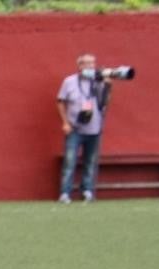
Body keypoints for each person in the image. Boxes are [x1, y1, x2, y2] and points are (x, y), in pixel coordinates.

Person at [57, 54, 114, 203]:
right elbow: (60, 102)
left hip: (94, 129)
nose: (90, 66)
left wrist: (108, 85)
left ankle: (87, 191)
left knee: (91, 162)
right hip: (75, 128)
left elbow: (104, 103)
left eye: (92, 63)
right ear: (79, 66)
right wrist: (65, 122)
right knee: (70, 161)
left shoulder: (97, 81)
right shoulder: (69, 81)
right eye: (87, 63)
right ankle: (65, 193)